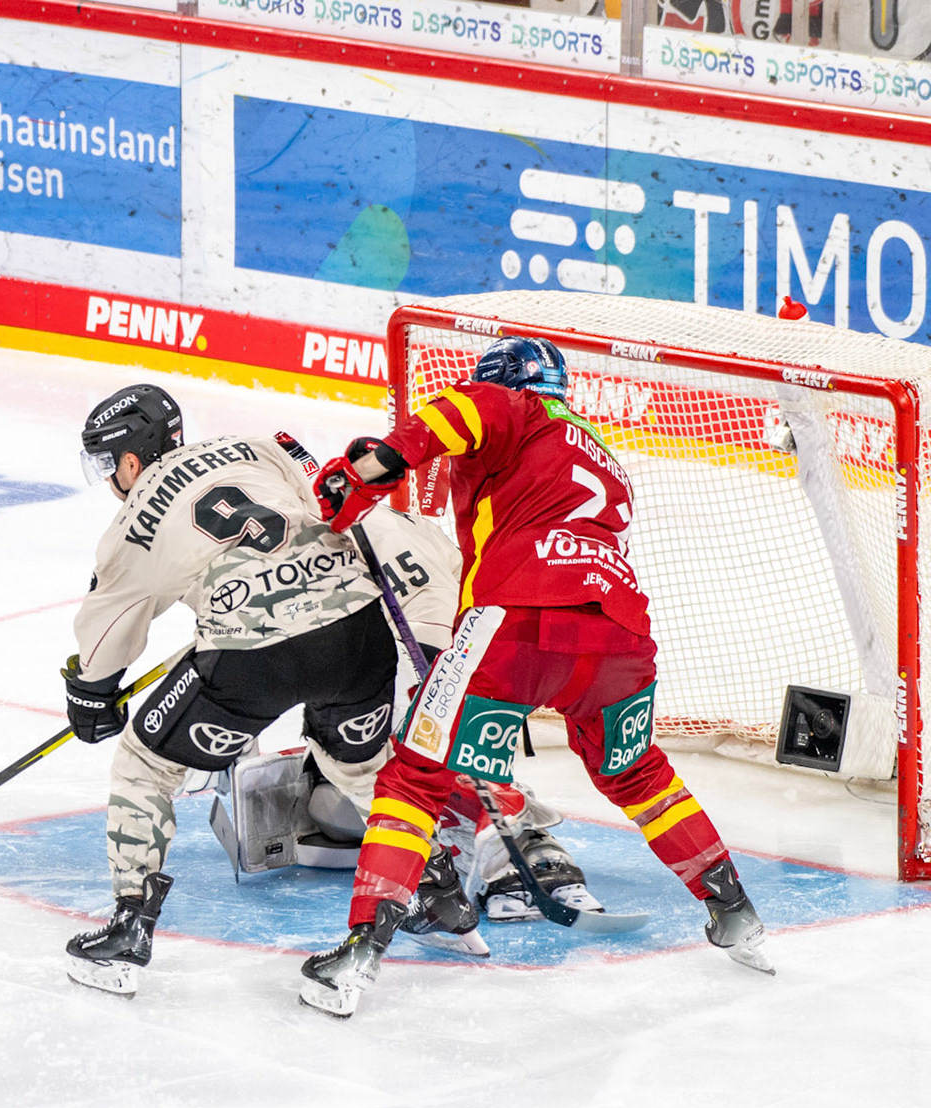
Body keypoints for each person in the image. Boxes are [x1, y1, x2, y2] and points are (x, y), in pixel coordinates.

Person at [302, 336, 773, 1018]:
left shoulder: (509, 406)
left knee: (415, 777)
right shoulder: (602, 454)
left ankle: (359, 951)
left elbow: (437, 425)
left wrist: (360, 472)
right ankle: (734, 910)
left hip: (516, 627)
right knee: (637, 773)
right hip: (617, 637)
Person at [59, 385, 475, 995]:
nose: (109, 479)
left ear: (129, 458)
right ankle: (436, 889)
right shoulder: (257, 447)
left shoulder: (136, 515)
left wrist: (91, 692)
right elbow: (334, 506)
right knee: (362, 766)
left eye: (107, 463)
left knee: (145, 765)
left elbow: (110, 621)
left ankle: (128, 930)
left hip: (252, 654)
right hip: (357, 632)